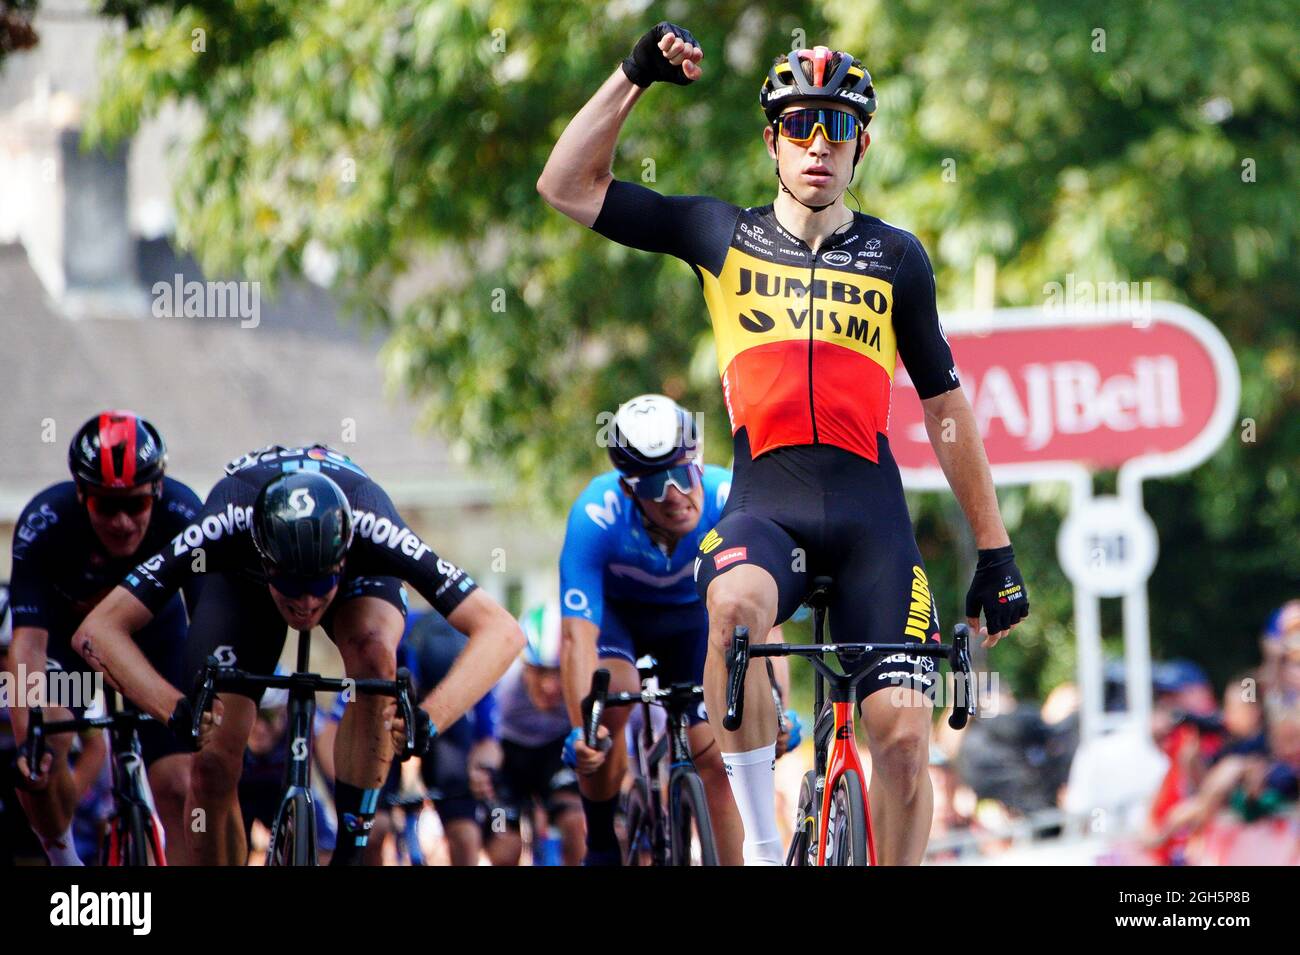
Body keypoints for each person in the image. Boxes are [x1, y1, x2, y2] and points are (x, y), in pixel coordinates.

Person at [539, 26, 1028, 864]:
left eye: (837, 128)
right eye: (799, 125)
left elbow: (946, 409)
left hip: (873, 519)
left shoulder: (896, 258)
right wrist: (634, 76)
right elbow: (566, 186)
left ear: (860, 145)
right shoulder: (716, 234)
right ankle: (764, 852)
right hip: (768, 509)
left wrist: (995, 551)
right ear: (771, 139)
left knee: (906, 737)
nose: (817, 145)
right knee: (732, 612)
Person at [70, 443, 522, 864]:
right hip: (243, 584)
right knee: (210, 761)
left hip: (349, 561)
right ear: (266, 560)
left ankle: (352, 844)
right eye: (290, 586)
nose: (305, 603)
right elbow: (98, 630)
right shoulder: (225, 523)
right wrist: (174, 711)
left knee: (374, 655)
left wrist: (429, 718)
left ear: (343, 559)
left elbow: (502, 632)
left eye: (319, 585)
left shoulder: (373, 527)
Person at [558, 394, 798, 865]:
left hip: (694, 623)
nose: (674, 495)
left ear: (700, 463)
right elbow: (577, 638)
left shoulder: (731, 499)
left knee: (717, 755)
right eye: (653, 485)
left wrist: (779, 708)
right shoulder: (595, 515)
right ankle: (603, 839)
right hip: (619, 622)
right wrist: (580, 729)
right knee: (611, 705)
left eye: (684, 475)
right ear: (629, 491)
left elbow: (766, 625)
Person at [4, 411, 202, 865]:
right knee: (43, 750)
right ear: (80, 495)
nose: (122, 522)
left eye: (134, 505)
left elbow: (207, 621)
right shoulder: (45, 522)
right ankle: (65, 862)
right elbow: (28, 647)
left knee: (178, 785)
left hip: (156, 644)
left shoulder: (183, 513)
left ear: (157, 490)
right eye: (104, 506)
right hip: (67, 649)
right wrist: (29, 737)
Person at [477, 602, 584, 866]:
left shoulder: (581, 684)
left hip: (556, 755)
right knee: (505, 848)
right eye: (540, 672)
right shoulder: (503, 688)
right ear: (524, 665)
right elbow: (482, 744)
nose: (550, 685)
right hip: (510, 758)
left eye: (558, 672)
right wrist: (481, 771)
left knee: (576, 825)